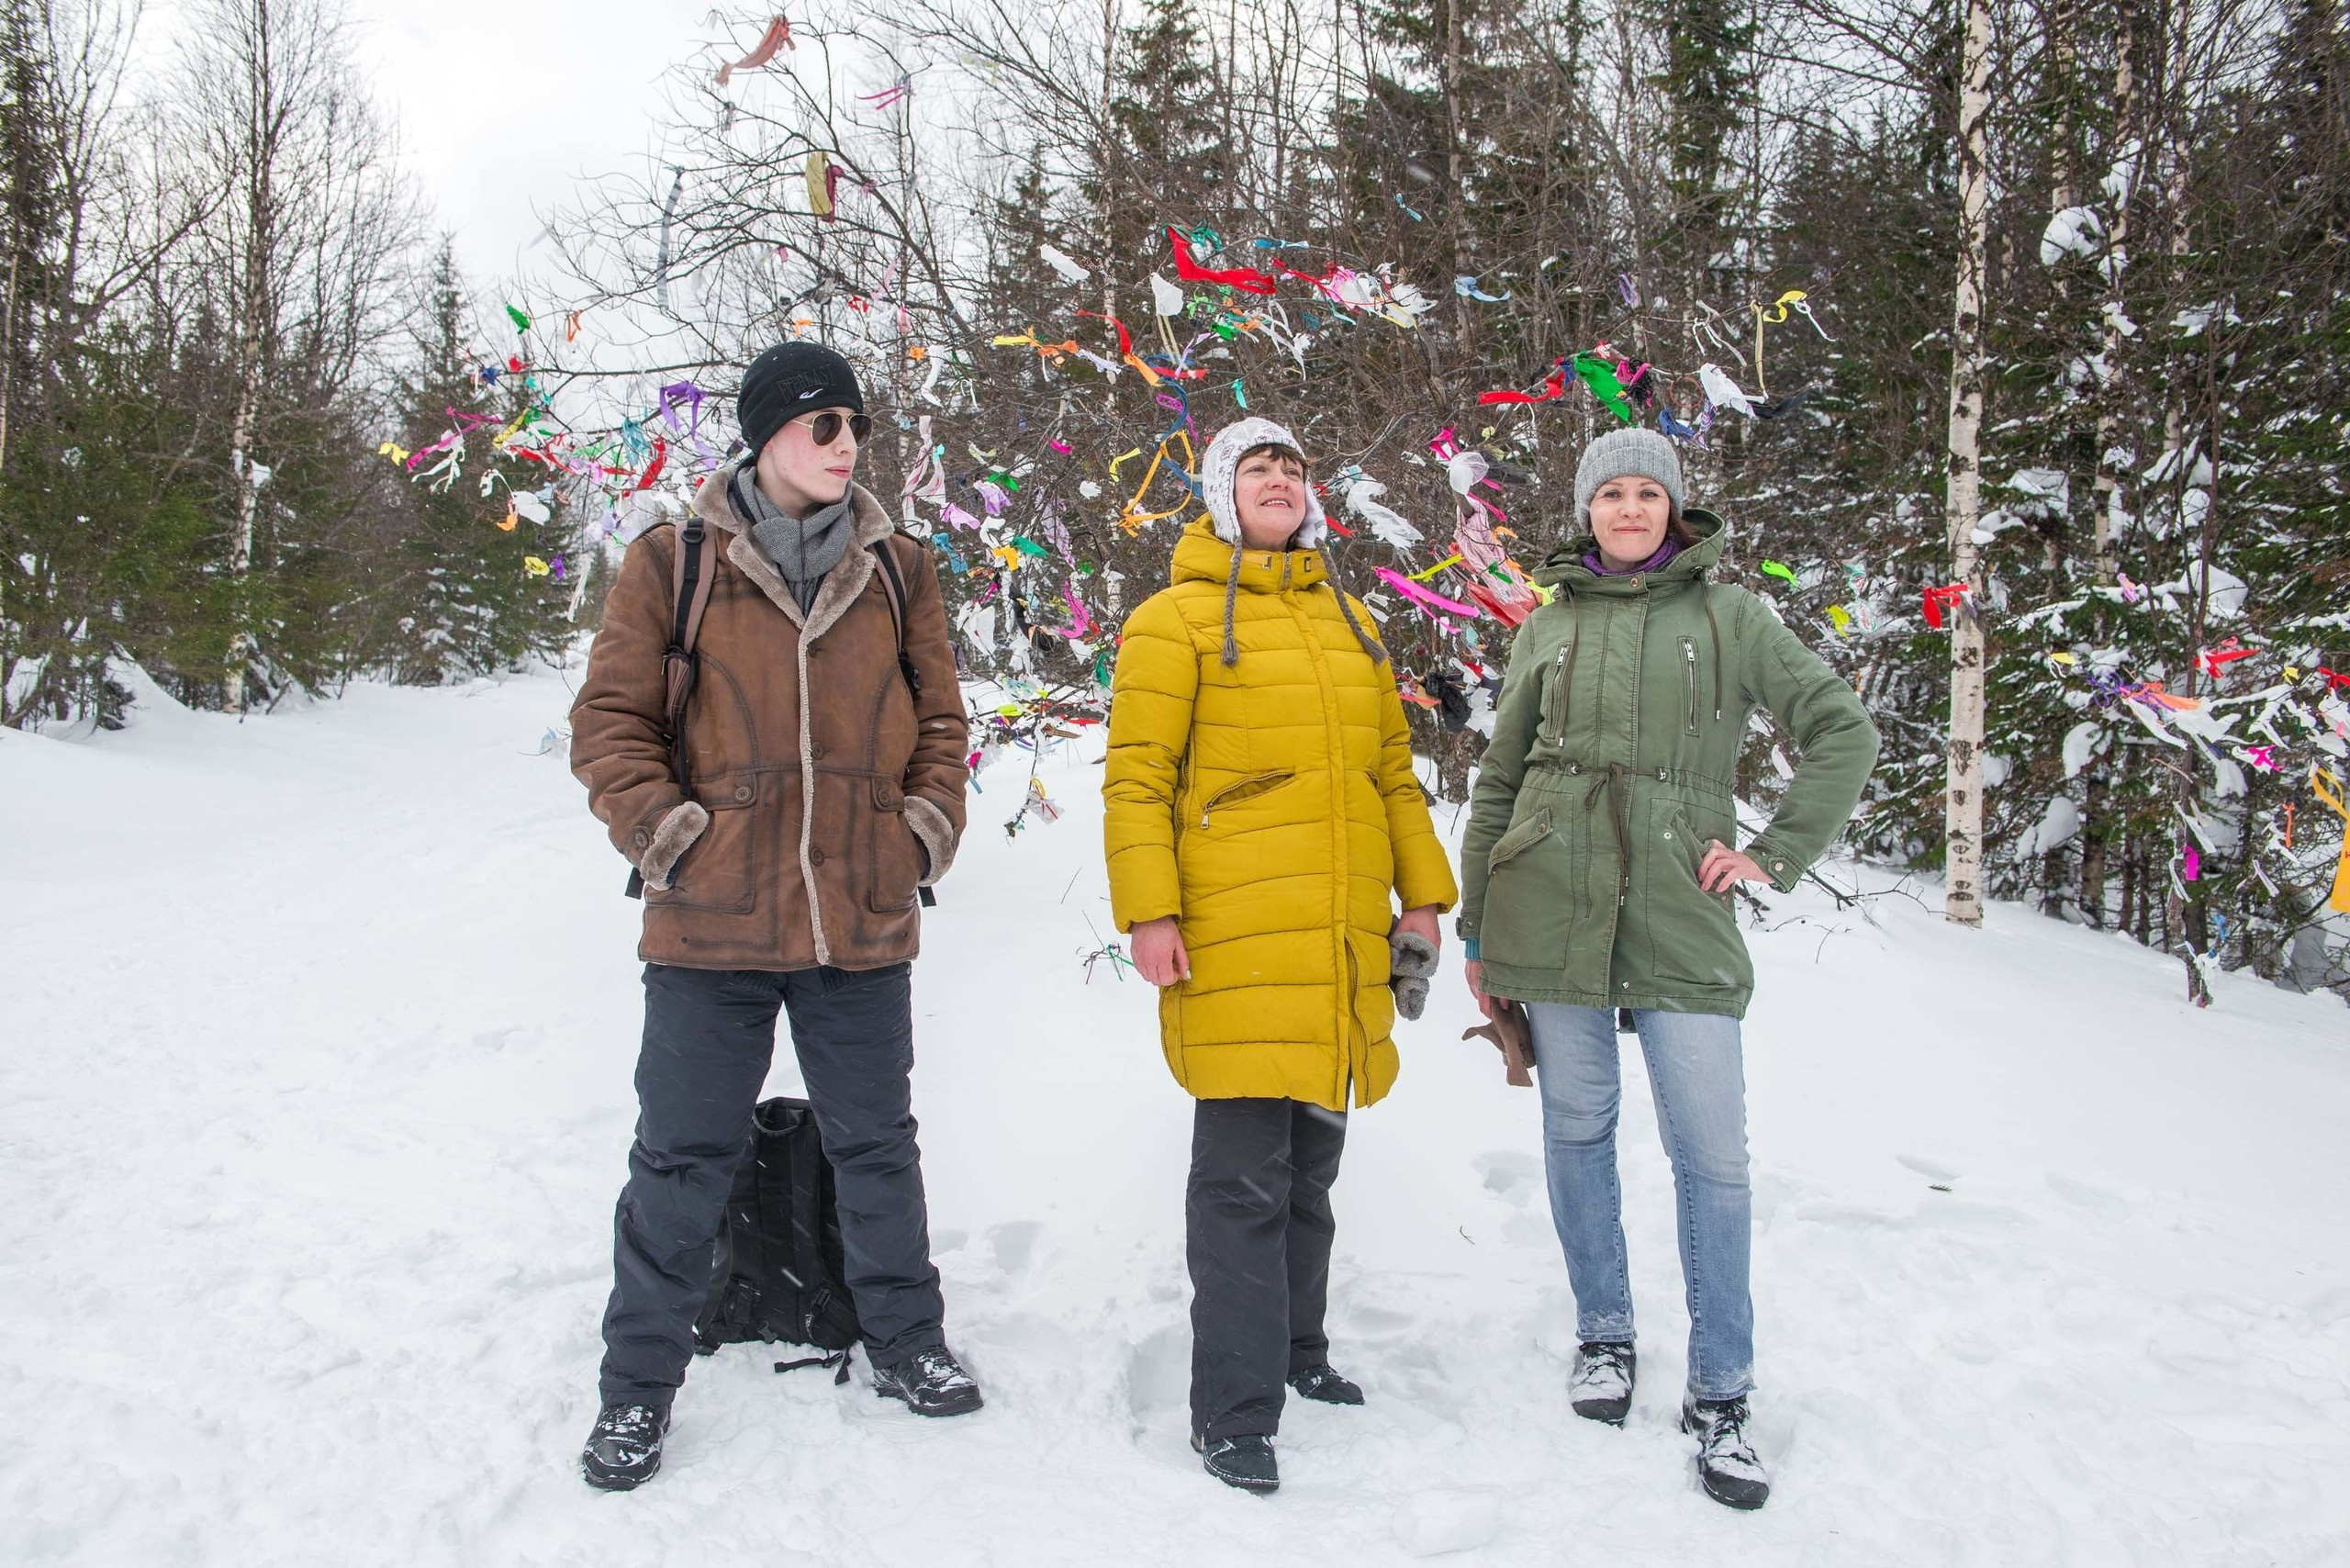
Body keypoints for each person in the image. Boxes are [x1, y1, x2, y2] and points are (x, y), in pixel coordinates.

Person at [567, 342, 979, 1491]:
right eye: (823, 423)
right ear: (765, 436)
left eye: (856, 424)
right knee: (678, 1163)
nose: (847, 443)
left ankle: (906, 1342)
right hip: (711, 924)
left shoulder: (898, 565)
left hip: (860, 914)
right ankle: (635, 1392)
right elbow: (609, 723)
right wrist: (670, 838)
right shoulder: (674, 561)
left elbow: (942, 724)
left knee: (877, 1148)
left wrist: (916, 835)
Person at [1457, 428, 1877, 1511]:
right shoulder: (1546, 625)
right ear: (1587, 511)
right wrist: (1477, 931)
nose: (1631, 509)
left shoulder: (1731, 617)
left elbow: (1841, 729)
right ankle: (1604, 1334)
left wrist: (1773, 851)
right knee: (1576, 1127)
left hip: (1680, 912)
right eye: (1612, 495)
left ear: (1674, 510)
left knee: (1712, 1157)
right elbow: (1498, 778)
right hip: (1548, 902)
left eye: (1649, 493)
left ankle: (1722, 1387)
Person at [1102, 417, 1459, 1495]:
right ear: (1221, 494)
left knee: (1310, 1170)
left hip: (1338, 938)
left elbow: (1392, 773)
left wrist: (1422, 900)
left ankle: (1299, 1349)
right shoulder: (1169, 622)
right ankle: (1233, 1413)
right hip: (1234, 935)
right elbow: (1137, 779)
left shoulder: (1351, 623)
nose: (1279, 480)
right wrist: (1149, 912)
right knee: (1239, 1183)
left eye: (1293, 468)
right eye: (1256, 468)